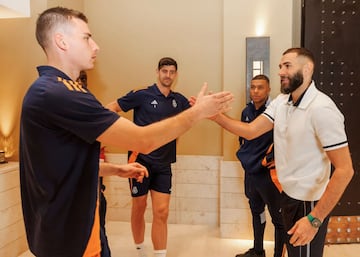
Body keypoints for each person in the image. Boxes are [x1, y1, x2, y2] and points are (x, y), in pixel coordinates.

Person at [19, 6, 233, 257]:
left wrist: (115, 169)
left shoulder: (63, 90)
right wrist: (198, 113)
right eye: (87, 38)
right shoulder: (57, 93)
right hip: (68, 235)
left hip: (85, 224)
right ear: (61, 41)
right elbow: (143, 140)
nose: (96, 46)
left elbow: (62, 162)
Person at [213, 47, 354, 257]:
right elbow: (251, 131)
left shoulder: (322, 109)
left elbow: (345, 170)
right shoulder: (282, 102)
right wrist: (216, 116)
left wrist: (314, 219)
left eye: (287, 65)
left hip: (308, 204)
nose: (280, 71)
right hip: (287, 196)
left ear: (307, 69)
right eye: (280, 66)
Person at [106, 57, 190, 257]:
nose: (168, 75)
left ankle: (159, 254)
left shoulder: (179, 100)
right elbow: (111, 108)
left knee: (162, 212)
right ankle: (140, 251)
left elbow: (194, 114)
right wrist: (122, 133)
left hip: (164, 165)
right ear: (157, 72)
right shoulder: (142, 94)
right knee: (139, 206)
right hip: (139, 162)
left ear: (175, 75)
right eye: (164, 71)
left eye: (171, 72)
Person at [235, 75, 285, 257]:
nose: (255, 91)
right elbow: (243, 140)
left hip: (269, 176)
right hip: (251, 174)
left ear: (268, 89)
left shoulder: (275, 112)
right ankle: (258, 250)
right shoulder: (245, 112)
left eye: (260, 87)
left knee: (278, 220)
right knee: (256, 212)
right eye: (253, 87)